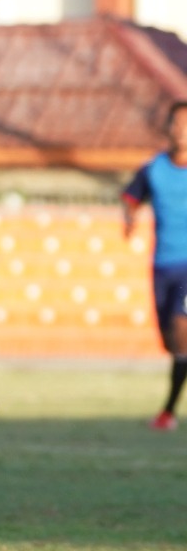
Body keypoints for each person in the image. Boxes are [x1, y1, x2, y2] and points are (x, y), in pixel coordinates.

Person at [122, 100, 187, 431]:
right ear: (168, 129)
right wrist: (129, 219)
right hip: (162, 266)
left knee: (182, 329)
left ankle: (167, 413)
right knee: (170, 341)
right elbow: (132, 196)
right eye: (176, 125)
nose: (181, 132)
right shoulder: (154, 169)